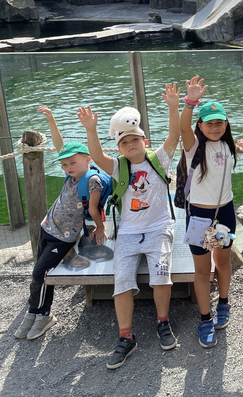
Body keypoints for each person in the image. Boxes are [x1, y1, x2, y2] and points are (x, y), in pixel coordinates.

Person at [78, 83, 181, 369]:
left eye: (135, 139)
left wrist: (173, 107)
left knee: (161, 276)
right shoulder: (119, 166)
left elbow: (174, 136)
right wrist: (90, 129)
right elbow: (97, 156)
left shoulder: (159, 159)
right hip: (128, 232)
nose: (131, 144)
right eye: (124, 142)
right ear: (119, 148)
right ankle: (126, 336)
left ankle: (163, 322)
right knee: (122, 281)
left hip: (159, 227)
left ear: (145, 141)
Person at [14, 106, 107, 341]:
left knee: (41, 272)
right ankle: (34, 311)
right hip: (47, 227)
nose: (68, 167)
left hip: (63, 237)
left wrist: (100, 227)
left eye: (72, 163)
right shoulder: (71, 175)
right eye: (64, 165)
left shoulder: (92, 180)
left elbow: (93, 209)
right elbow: (59, 145)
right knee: (39, 271)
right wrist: (52, 120)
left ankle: (43, 315)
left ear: (87, 159)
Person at [179, 76, 238, 348]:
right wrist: (189, 103)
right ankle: (205, 318)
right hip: (199, 218)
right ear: (200, 126)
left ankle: (223, 301)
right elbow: (183, 127)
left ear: (226, 124)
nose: (214, 128)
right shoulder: (194, 147)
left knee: (223, 262)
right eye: (209, 123)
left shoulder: (228, 146)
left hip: (225, 214)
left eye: (219, 122)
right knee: (202, 271)